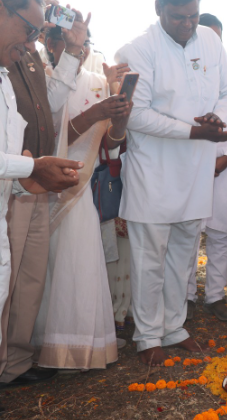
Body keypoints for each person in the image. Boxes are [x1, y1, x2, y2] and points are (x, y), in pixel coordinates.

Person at [114, 0, 227, 366]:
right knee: (150, 256)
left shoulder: (211, 40)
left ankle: (174, 327)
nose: (188, 25)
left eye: (193, 16)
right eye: (178, 17)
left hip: (196, 168)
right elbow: (136, 117)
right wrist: (193, 131)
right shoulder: (137, 50)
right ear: (158, 8)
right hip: (154, 170)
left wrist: (217, 117)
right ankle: (148, 334)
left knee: (185, 254)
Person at [0, 0, 85, 393]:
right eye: (29, 27)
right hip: (18, 179)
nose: (34, 38)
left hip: (28, 183)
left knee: (27, 274)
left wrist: (72, 49)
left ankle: (13, 363)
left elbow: (49, 106)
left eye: (39, 30)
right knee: (6, 277)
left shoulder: (24, 54)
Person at [31, 24, 132, 371]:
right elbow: (54, 135)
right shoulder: (40, 80)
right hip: (37, 188)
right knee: (39, 271)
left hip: (79, 190)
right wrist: (94, 114)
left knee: (78, 266)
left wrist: (118, 119)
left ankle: (76, 348)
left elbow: (112, 145)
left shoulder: (95, 83)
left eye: (85, 41)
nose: (79, 47)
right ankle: (35, 345)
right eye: (68, 40)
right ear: (47, 41)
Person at [186, 14, 227, 322]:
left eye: (216, 38)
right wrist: (198, 160)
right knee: (186, 232)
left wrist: (225, 158)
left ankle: (214, 295)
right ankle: (185, 295)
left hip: (226, 165)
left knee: (220, 233)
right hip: (188, 162)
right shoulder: (185, 70)